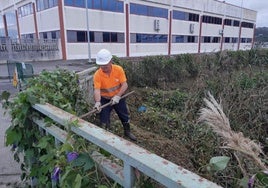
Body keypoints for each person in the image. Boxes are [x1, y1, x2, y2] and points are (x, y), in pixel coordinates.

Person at [93, 49, 137, 141]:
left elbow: (125, 85)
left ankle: (127, 131)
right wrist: (97, 102)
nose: (103, 68)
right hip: (105, 99)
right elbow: (97, 90)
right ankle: (106, 135)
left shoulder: (118, 69)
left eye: (105, 66)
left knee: (124, 115)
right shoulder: (97, 74)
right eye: (101, 66)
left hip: (118, 98)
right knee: (104, 118)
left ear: (111, 61)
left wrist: (118, 96)